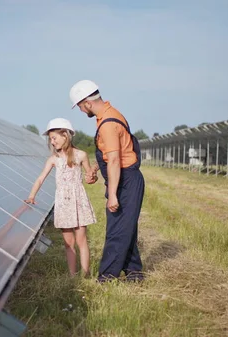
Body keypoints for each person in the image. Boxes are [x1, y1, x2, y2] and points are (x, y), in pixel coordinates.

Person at [69, 80, 145, 283]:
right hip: (125, 178)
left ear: (87, 103)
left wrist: (112, 194)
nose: (81, 110)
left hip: (126, 179)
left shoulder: (108, 123)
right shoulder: (109, 115)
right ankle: (135, 274)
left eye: (79, 106)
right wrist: (94, 168)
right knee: (126, 227)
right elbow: (109, 152)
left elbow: (114, 160)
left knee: (117, 230)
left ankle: (107, 277)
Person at [25, 117, 98, 277]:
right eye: (50, 139)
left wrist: (92, 175)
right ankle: (73, 276)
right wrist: (31, 196)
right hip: (63, 204)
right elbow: (40, 178)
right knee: (68, 243)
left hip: (78, 202)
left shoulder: (81, 155)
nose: (52, 142)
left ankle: (85, 275)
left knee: (81, 240)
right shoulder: (53, 159)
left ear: (65, 135)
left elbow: (89, 179)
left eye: (54, 138)